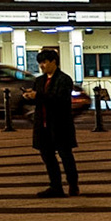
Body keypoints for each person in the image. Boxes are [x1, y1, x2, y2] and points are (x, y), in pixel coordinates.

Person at [22, 47, 79, 198]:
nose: (42, 66)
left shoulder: (64, 79)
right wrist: (30, 97)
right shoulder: (39, 80)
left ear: (54, 62)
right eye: (40, 63)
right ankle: (55, 186)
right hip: (43, 125)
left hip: (60, 124)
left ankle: (73, 185)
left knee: (65, 156)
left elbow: (59, 99)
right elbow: (40, 101)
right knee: (47, 157)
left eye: (45, 62)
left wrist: (38, 95)